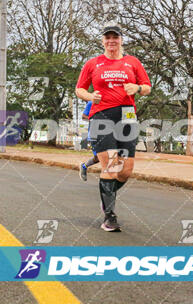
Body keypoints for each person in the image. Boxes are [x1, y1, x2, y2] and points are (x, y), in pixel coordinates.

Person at [75, 24, 151, 232]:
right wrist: (91, 96)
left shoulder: (132, 62)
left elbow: (147, 87)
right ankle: (109, 216)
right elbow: (79, 89)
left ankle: (106, 195)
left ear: (121, 41)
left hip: (127, 117)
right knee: (110, 165)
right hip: (101, 116)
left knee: (125, 171)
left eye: (115, 38)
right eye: (107, 38)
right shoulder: (93, 63)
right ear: (102, 42)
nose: (111, 41)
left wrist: (137, 88)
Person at [79, 101, 99, 181]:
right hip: (94, 134)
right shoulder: (91, 103)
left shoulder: (110, 102)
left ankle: (108, 180)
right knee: (98, 158)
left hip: (107, 133)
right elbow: (84, 116)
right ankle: (84, 166)